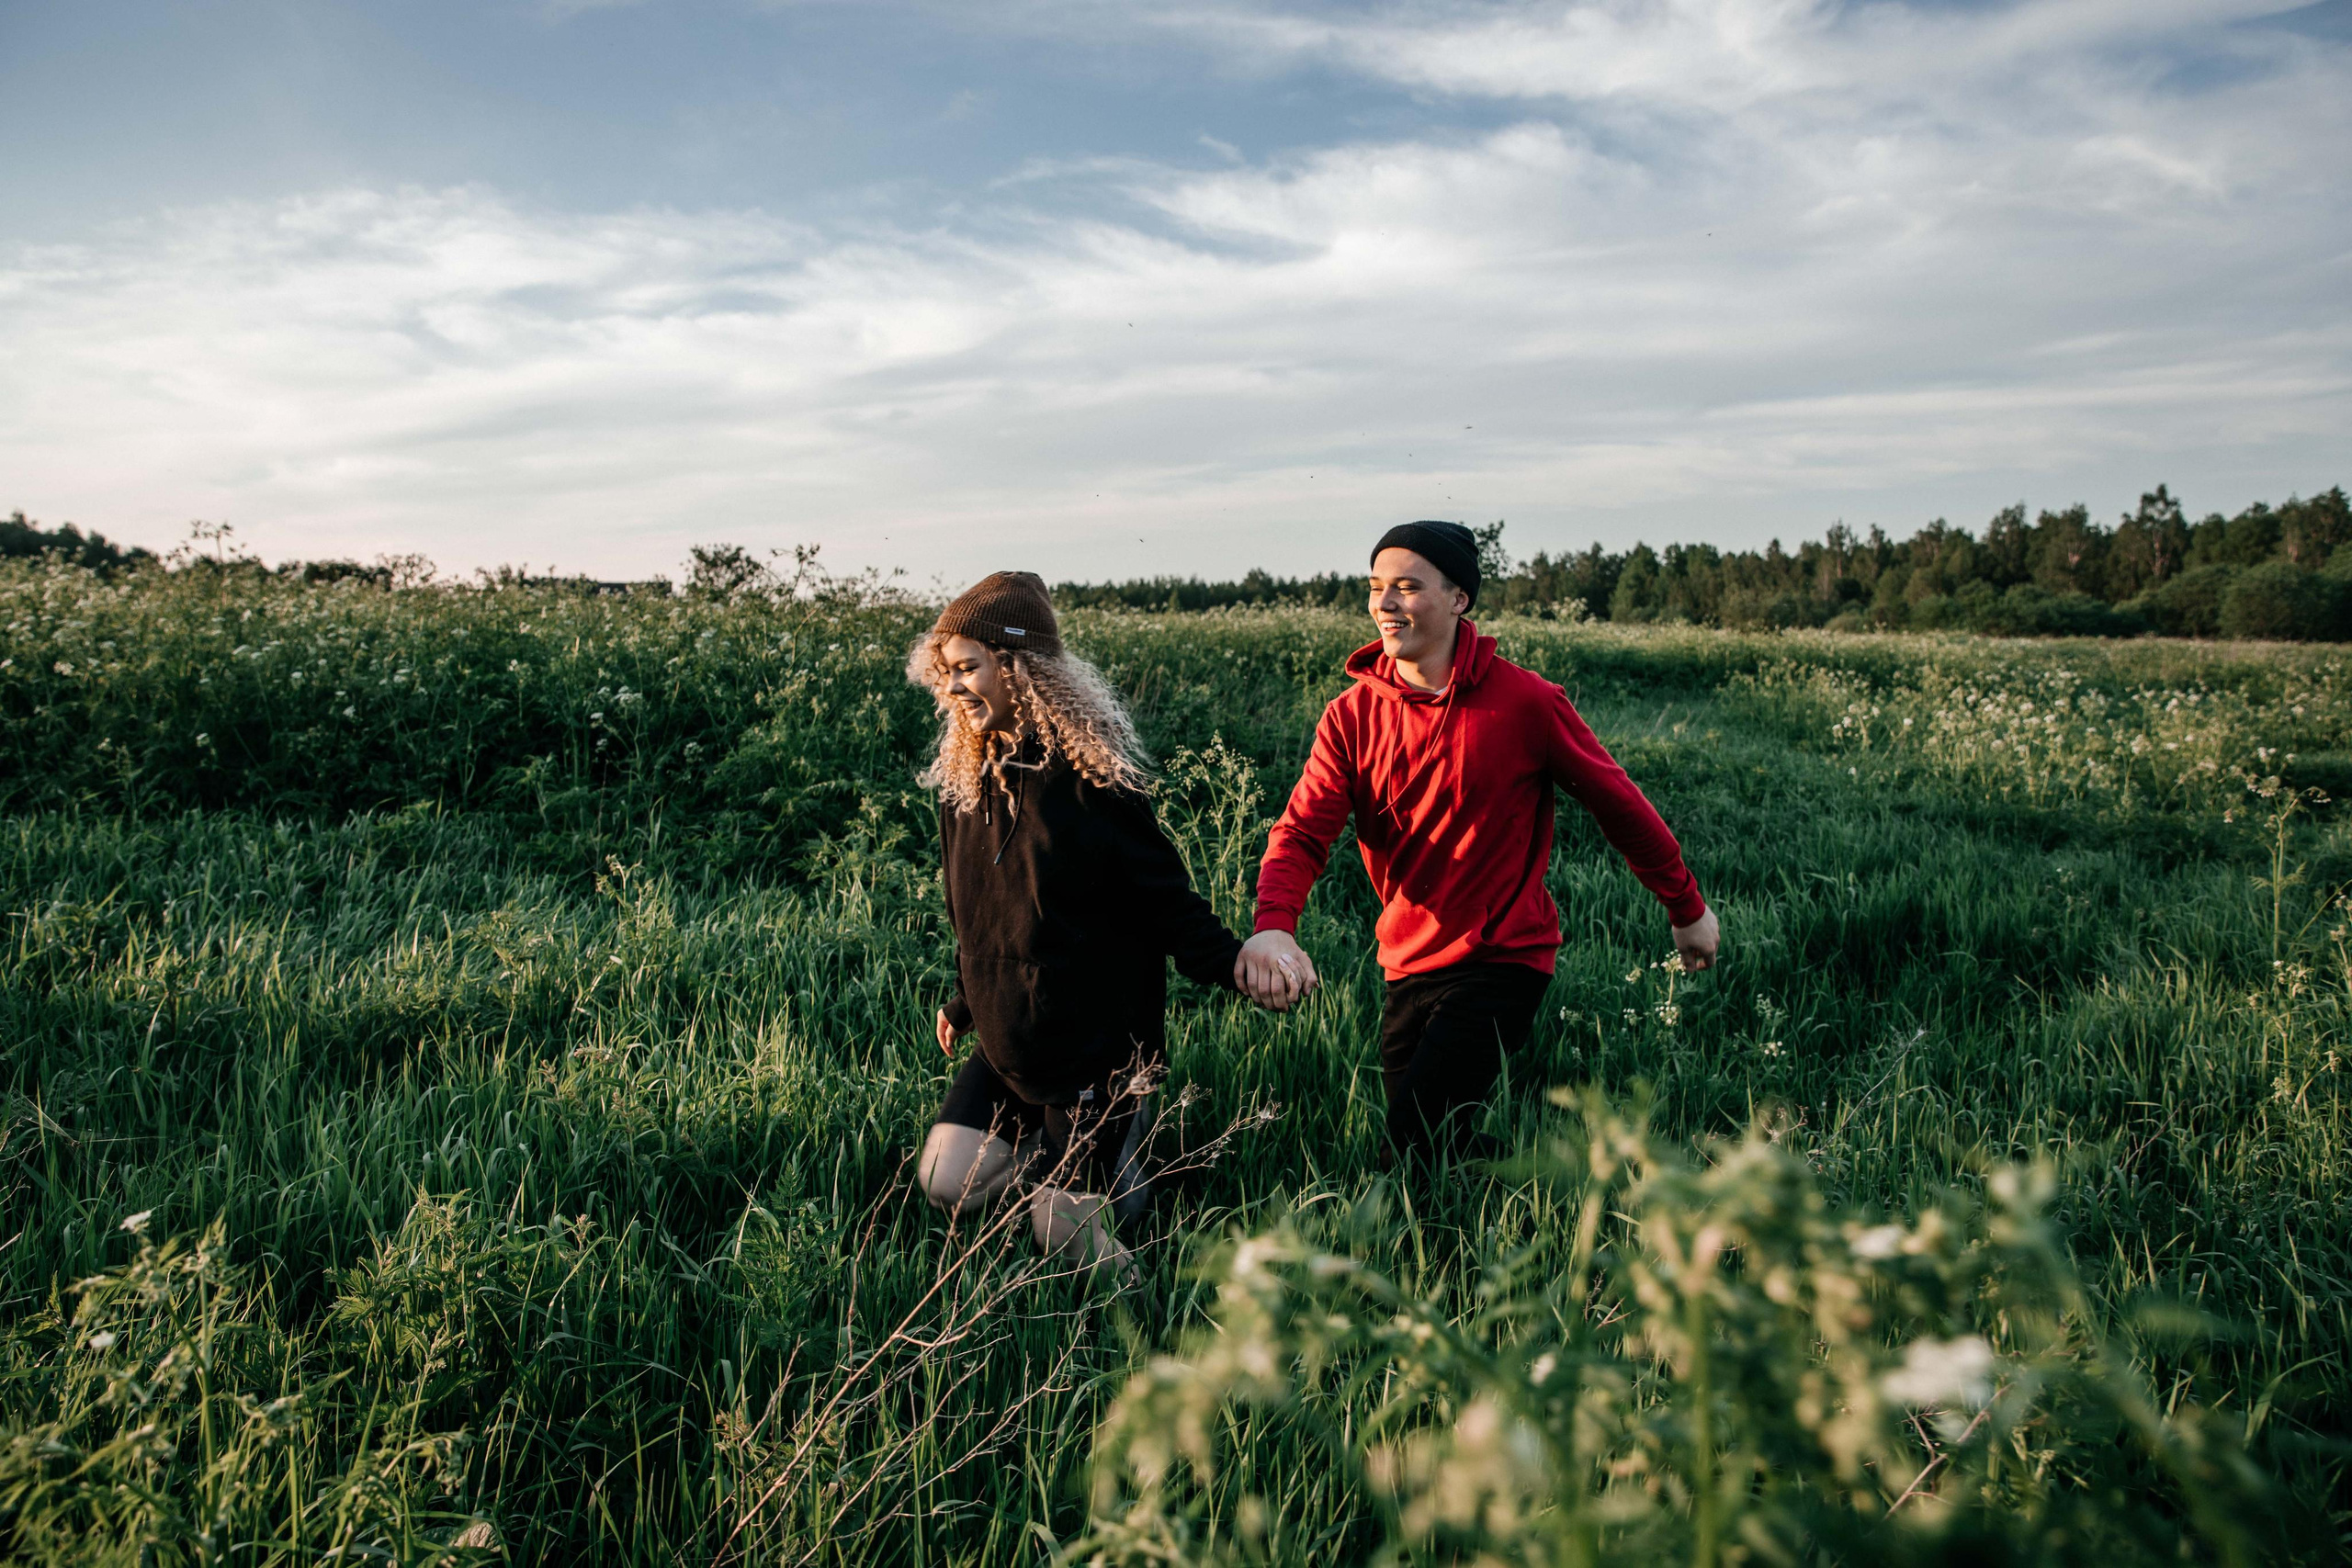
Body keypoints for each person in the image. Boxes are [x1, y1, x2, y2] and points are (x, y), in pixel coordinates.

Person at [1236, 521, 1719, 1162]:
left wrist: (1686, 907)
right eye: (1376, 586)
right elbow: (1301, 831)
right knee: (1440, 1145)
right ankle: (1539, 1187)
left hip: (1503, 958)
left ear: (1460, 597)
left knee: (1410, 1143)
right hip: (1407, 961)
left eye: (1407, 586)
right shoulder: (1351, 715)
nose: (1384, 604)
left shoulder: (1525, 703)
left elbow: (1620, 805)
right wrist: (1274, 924)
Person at [908, 571, 1303, 1278]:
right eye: (946, 672)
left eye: (967, 667)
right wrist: (968, 999)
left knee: (1062, 1230)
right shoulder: (966, 790)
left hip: (1096, 1051)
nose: (953, 687)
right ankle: (1064, 1160)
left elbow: (1170, 905)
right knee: (946, 1179)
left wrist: (1239, 964)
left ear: (1017, 666)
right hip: (1011, 1045)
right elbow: (982, 920)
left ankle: (1122, 1203)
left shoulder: (1095, 787)